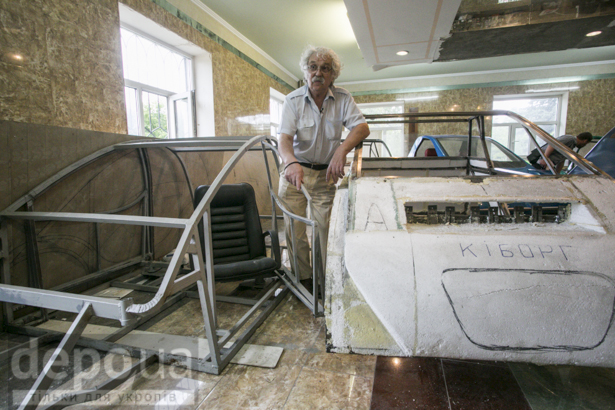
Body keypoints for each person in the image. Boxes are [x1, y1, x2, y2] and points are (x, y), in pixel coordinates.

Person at [277, 45, 370, 284]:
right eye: (313, 67)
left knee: (323, 229)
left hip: (324, 176)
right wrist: (291, 162)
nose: (318, 73)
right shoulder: (292, 101)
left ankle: (324, 282)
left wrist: (341, 150)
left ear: (332, 76)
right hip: (294, 173)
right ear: (306, 72)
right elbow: (284, 140)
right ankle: (303, 280)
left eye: (325, 69)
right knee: (294, 229)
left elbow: (362, 127)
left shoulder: (342, 98)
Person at [527, 132, 592, 173]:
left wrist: (557, 173)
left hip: (548, 164)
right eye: (586, 143)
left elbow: (561, 160)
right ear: (585, 141)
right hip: (542, 161)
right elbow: (552, 144)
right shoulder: (569, 139)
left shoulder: (572, 145)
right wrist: (545, 159)